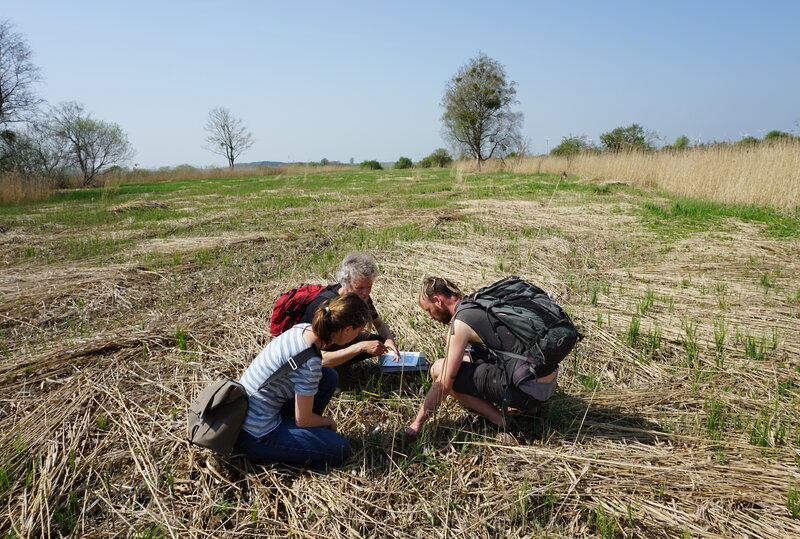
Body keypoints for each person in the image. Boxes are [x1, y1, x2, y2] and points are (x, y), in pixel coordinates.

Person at [406, 277, 558, 439]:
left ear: (437, 301)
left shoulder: (462, 321)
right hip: (546, 383)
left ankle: (503, 422)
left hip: (527, 392)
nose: (430, 317)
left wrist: (417, 424)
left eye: (428, 310)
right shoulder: (480, 303)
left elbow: (443, 383)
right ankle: (529, 409)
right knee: (462, 363)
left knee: (438, 369)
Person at [234, 293, 370, 467]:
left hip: (250, 411)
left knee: (328, 376)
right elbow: (303, 420)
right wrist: (328, 421)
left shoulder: (303, 329)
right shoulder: (310, 361)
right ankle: (275, 446)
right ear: (347, 330)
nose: (356, 337)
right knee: (341, 449)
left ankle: (297, 434)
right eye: (358, 332)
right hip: (256, 434)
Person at [299, 252, 400, 368]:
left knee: (380, 341)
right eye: (360, 288)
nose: (366, 293)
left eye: (369, 287)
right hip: (315, 357)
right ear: (346, 283)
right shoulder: (326, 304)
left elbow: (379, 323)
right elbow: (315, 357)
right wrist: (361, 347)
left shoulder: (362, 298)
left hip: (341, 342)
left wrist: (388, 340)